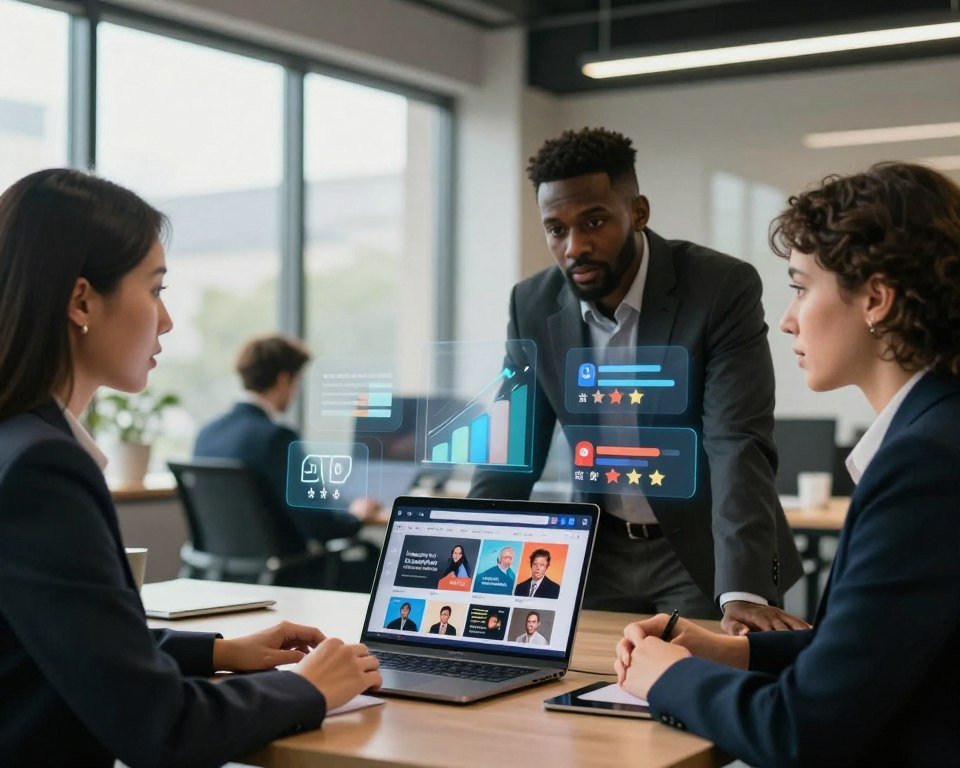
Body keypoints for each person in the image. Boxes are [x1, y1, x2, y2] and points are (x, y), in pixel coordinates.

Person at [0, 169, 381, 767]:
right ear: (81, 301)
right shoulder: (43, 471)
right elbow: (160, 727)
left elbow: (72, 642)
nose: (167, 320)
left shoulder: (15, 442)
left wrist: (221, 652)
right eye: (155, 290)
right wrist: (309, 686)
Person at [614, 163, 960, 766]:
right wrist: (734, 653)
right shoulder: (936, 431)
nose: (788, 318)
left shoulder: (924, 464)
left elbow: (802, 730)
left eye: (801, 287)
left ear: (876, 299)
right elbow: (869, 654)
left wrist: (666, 677)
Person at [470, 127, 803, 632]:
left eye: (594, 221)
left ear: (638, 212)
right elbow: (510, 452)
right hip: (595, 549)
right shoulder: (533, 304)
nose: (574, 246)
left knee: (694, 694)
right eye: (556, 229)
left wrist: (744, 590)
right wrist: (466, 551)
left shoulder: (717, 288)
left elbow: (735, 441)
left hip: (701, 550)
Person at [194, 334, 368, 543]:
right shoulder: (276, 438)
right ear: (284, 380)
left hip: (221, 568)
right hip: (286, 571)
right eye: (297, 380)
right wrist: (357, 516)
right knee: (371, 557)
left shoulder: (207, 433)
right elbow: (319, 525)